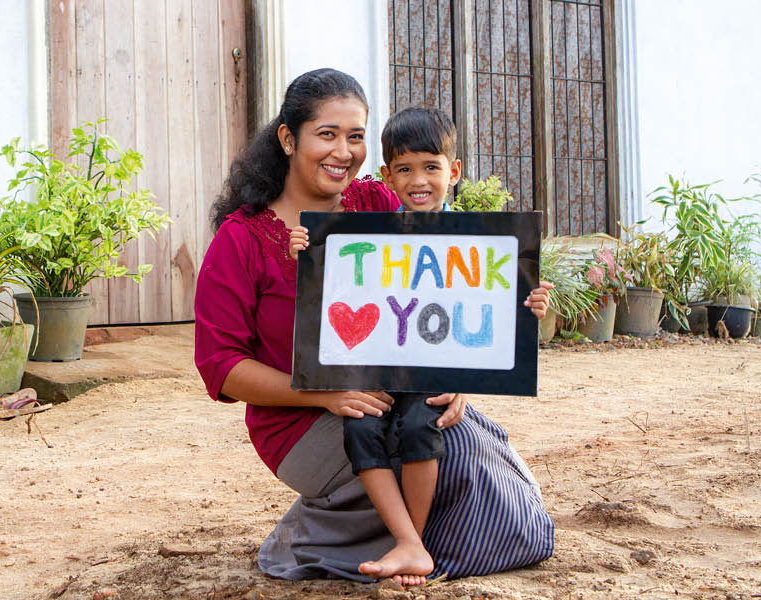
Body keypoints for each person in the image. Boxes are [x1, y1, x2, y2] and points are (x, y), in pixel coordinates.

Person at [194, 67, 555, 587]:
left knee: (452, 440)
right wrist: (324, 393)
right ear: (289, 139)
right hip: (300, 421)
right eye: (327, 134)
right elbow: (221, 367)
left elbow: (441, 296)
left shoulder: (377, 203)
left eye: (356, 136)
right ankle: (319, 536)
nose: (343, 152)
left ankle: (411, 540)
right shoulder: (241, 239)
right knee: (447, 461)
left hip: (395, 396)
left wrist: (459, 375)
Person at [285, 105, 553, 585]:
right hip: (380, 371)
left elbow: (491, 312)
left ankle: (417, 541)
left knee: (417, 427)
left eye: (431, 167)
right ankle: (406, 539)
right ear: (387, 176)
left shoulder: (479, 242)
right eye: (404, 169)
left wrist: (529, 303)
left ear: (454, 171)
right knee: (361, 430)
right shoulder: (372, 235)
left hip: (434, 375)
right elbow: (335, 289)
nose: (419, 181)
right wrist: (308, 251)